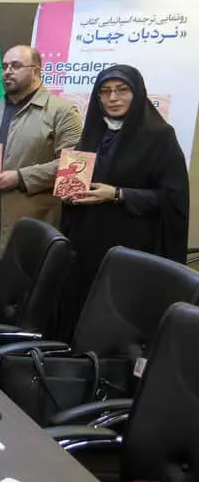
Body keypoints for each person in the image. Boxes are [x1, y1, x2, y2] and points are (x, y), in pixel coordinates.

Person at [59, 65, 188, 332]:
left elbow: (172, 198)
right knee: (80, 316)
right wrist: (69, 192)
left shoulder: (159, 137)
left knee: (115, 325)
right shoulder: (93, 131)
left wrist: (118, 194)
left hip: (131, 248)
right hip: (86, 245)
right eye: (105, 92)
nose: (113, 98)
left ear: (138, 93)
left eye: (122, 90)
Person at [0, 45, 82, 289]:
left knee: (25, 313)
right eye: (5, 66)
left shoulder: (62, 111)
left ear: (36, 71)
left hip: (33, 228)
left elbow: (73, 166)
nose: (8, 72)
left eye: (16, 66)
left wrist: (20, 177)